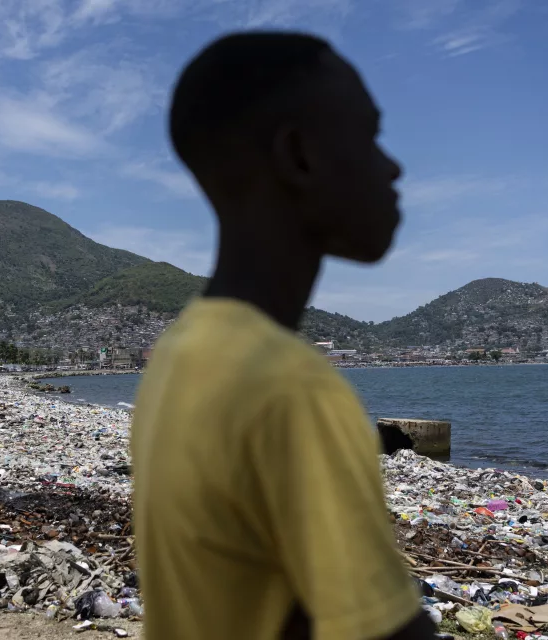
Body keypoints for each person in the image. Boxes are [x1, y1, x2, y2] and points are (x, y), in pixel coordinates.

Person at [131, 32, 433, 640]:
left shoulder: (177, 355)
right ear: (299, 155)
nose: (393, 165)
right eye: (370, 135)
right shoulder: (287, 385)